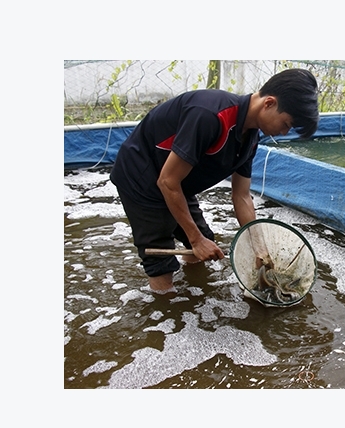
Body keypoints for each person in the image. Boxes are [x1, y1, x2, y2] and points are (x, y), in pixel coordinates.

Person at [110, 68, 320, 293]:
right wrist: (195, 239)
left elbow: (241, 196)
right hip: (142, 177)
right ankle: (164, 307)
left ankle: (192, 298)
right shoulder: (210, 115)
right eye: (287, 124)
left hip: (178, 182)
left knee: (204, 243)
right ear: (269, 103)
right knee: (162, 262)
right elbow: (167, 182)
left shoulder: (250, 138)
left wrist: (259, 248)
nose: (285, 132)